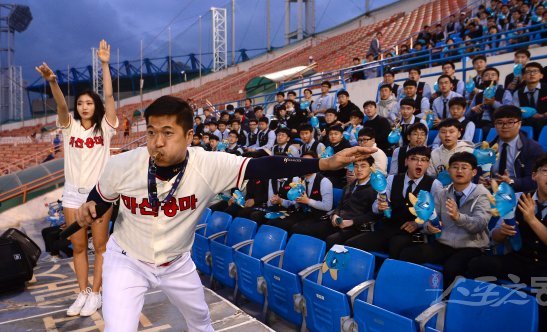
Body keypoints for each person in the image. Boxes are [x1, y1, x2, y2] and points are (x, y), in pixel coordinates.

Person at [74, 95, 377, 332]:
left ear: (189, 134)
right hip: (127, 260)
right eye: (152, 132)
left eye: (168, 132)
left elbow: (263, 165)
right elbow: (99, 198)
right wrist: (91, 209)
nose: (158, 142)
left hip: (176, 262)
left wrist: (322, 165)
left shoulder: (209, 164)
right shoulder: (123, 164)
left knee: (201, 322)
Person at [35, 40, 118, 317]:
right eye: (80, 103)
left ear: (95, 107)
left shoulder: (106, 127)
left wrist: (105, 64)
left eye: (89, 103)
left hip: (100, 195)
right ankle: (82, 293)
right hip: (72, 194)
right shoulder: (69, 128)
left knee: (101, 246)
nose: (84, 107)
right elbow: (60, 106)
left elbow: (108, 98)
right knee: (78, 247)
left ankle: (97, 293)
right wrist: (53, 83)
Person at [467, 153, 547, 331]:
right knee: (479, 264)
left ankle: (541, 327)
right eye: (546, 170)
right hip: (521, 260)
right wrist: (503, 232)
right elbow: (494, 236)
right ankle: (486, 318)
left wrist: (532, 220)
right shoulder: (516, 197)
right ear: (534, 176)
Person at [398, 152, 492, 288]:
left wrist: (458, 217)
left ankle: (447, 304)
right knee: (408, 254)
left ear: (474, 172)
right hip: (444, 243)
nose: (459, 171)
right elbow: (429, 219)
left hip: (471, 246)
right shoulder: (442, 193)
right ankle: (409, 291)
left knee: (452, 268)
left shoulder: (483, 195)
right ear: (449, 171)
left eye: (464, 167)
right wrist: (429, 227)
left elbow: (480, 225)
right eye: (455, 167)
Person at [345, 147, 441, 257]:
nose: (419, 163)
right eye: (414, 159)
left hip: (412, 233)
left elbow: (435, 215)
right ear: (406, 161)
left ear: (428, 164)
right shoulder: (392, 179)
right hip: (388, 227)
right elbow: (376, 206)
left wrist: (418, 224)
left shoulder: (434, 184)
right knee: (351, 245)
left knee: (396, 245)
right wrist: (380, 207)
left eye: (424, 160)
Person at [293, 157, 378, 248]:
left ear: (371, 168)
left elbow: (374, 214)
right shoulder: (349, 186)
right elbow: (340, 205)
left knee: (331, 240)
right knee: (307, 231)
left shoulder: (375, 189)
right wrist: (335, 214)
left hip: (356, 226)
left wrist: (352, 222)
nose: (359, 169)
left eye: (363, 166)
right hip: (338, 222)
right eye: (356, 166)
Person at [265, 151, 333, 232]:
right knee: (273, 222)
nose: (306, 165)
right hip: (302, 214)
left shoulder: (324, 182)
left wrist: (308, 201)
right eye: (304, 162)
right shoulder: (299, 180)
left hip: (318, 216)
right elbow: (295, 203)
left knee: (296, 228)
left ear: (316, 164)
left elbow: (327, 207)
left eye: (310, 162)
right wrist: (281, 201)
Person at [485, 105, 544, 193]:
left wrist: (511, 181)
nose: (505, 126)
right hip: (490, 191)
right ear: (495, 125)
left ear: (519, 124)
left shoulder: (532, 148)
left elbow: (535, 180)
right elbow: (477, 174)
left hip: (519, 193)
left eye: (510, 122)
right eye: (500, 122)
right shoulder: (487, 148)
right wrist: (481, 180)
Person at [513, 62, 547, 138]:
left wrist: (545, 114)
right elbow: (516, 111)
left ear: (541, 75)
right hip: (528, 120)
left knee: (541, 122)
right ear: (523, 76)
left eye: (535, 71)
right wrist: (530, 115)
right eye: (528, 72)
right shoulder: (517, 93)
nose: (532, 74)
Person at [469, 67, 513, 135]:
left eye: (493, 75)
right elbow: (467, 114)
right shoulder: (478, 95)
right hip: (479, 123)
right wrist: (473, 110)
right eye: (486, 75)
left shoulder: (505, 92)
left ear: (498, 79)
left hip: (497, 123)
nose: (490, 77)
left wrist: (493, 103)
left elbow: (509, 111)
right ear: (482, 80)